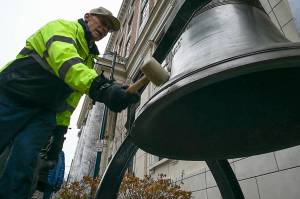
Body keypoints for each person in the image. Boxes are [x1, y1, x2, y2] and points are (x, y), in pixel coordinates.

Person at [0, 6, 139, 199]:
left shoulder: (89, 60)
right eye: (103, 22)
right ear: (87, 17)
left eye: (109, 28)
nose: (105, 29)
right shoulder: (63, 28)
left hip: (44, 113)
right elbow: (65, 59)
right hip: (14, 94)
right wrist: (103, 88)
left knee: (23, 168)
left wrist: (59, 133)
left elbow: (70, 101)